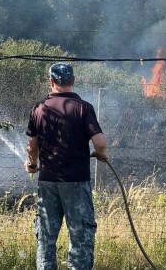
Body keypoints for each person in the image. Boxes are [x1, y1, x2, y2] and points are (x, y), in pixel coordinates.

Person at [25, 62, 108, 270]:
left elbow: (32, 146)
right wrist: (101, 154)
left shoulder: (39, 108)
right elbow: (100, 143)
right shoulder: (83, 108)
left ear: (51, 82)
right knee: (80, 236)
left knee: (46, 237)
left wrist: (32, 164)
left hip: (48, 182)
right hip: (76, 183)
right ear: (73, 81)